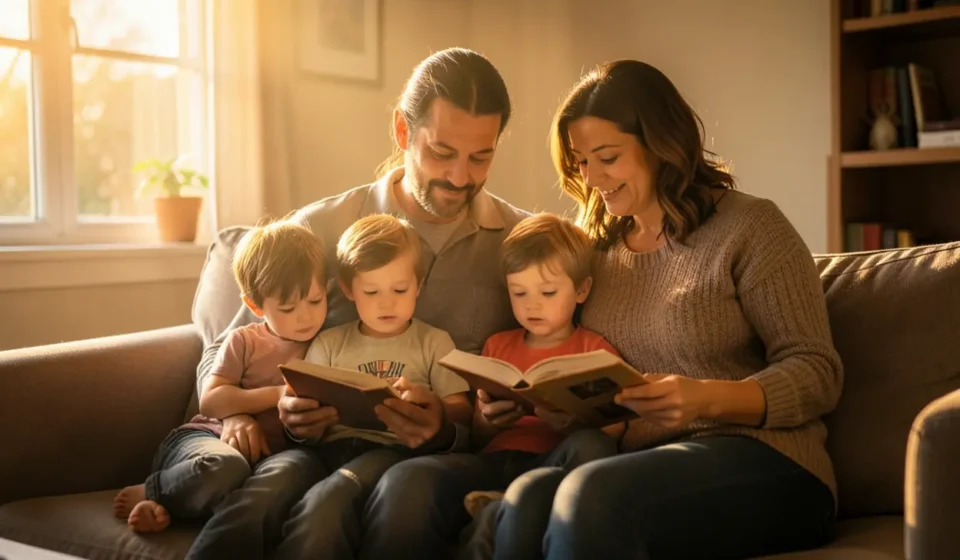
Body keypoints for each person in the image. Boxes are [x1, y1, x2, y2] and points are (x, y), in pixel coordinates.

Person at [190, 47, 529, 559]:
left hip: (433, 460)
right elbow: (234, 344)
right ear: (401, 131)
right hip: (317, 448)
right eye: (441, 152)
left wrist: (447, 424)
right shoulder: (318, 229)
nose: (460, 177)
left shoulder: (520, 243)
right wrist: (241, 418)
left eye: (480, 157)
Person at [502, 59, 842, 559]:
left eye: (608, 157)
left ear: (661, 145)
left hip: (771, 463)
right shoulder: (599, 254)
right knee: (527, 496)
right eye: (581, 161)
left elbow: (818, 373)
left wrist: (706, 398)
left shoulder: (750, 227)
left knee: (593, 495)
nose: (592, 176)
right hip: (641, 462)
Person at [112, 220, 329, 558]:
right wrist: (275, 395)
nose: (306, 317)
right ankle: (156, 490)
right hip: (208, 440)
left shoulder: (329, 344)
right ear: (256, 306)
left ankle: (177, 506)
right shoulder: (244, 340)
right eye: (287, 308)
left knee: (283, 478)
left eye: (315, 300)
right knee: (226, 468)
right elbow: (212, 401)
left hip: (272, 457)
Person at [274, 213, 471, 558]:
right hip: (326, 452)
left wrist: (438, 416)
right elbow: (303, 406)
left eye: (399, 289)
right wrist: (298, 422)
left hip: (394, 452)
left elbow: (462, 412)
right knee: (297, 494)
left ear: (419, 285)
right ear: (349, 289)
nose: (386, 302)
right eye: (371, 290)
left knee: (330, 498)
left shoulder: (435, 342)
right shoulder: (329, 342)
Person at [452, 212, 622, 560]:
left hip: (555, 462)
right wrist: (487, 420)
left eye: (547, 291)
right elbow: (476, 436)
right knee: (417, 474)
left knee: (591, 443)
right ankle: (500, 505)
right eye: (519, 292)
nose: (532, 304)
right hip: (497, 458)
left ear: (581, 290)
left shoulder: (595, 349)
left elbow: (615, 429)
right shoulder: (497, 346)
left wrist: (574, 421)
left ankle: (500, 508)